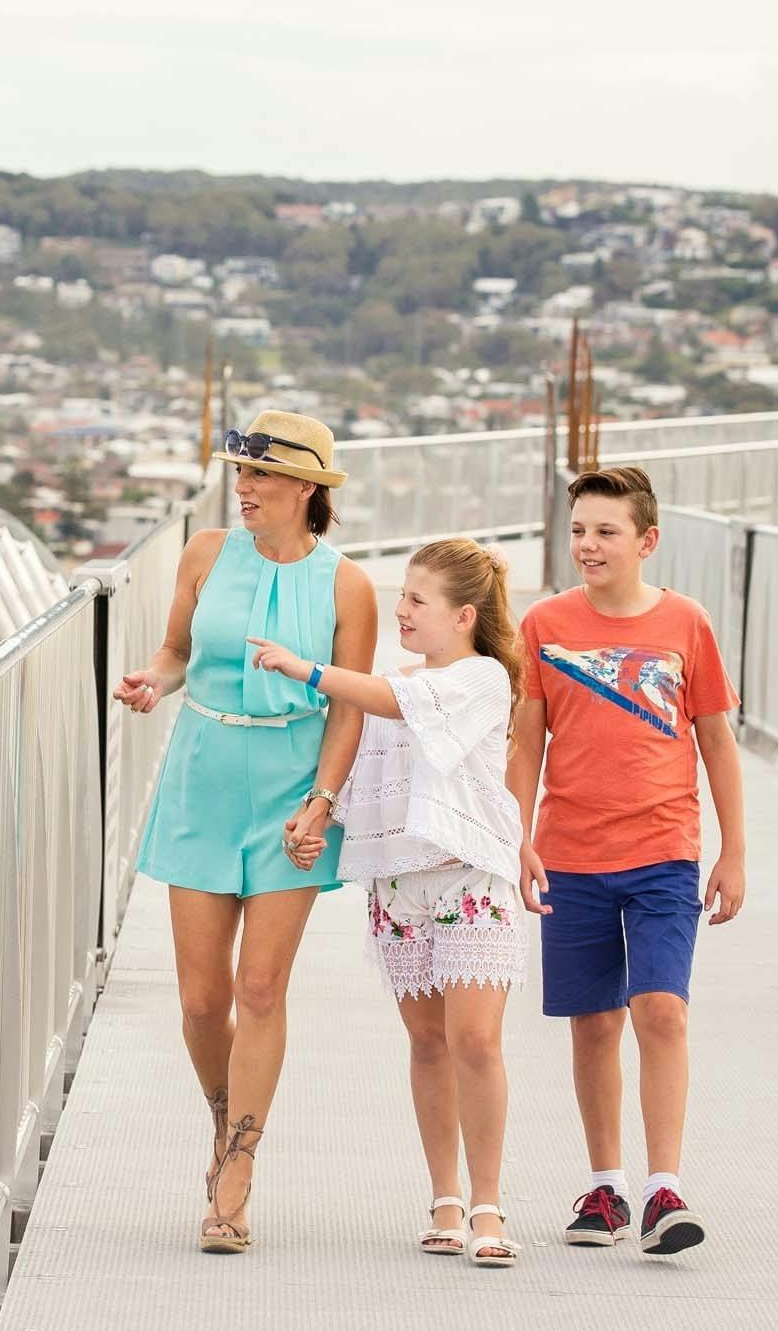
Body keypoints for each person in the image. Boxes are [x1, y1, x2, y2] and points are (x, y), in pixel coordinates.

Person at [115, 410, 376, 1255]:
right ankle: (227, 1112)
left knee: (261, 988)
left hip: (292, 794)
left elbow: (349, 702)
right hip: (203, 776)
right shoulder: (204, 553)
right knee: (200, 1000)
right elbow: (174, 651)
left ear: (307, 488)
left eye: (261, 476)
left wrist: (324, 799)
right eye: (240, 472)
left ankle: (237, 1169)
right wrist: (153, 681)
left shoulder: (348, 585)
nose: (244, 486)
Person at [250, 537, 532, 1267]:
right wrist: (317, 817)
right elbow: (356, 762)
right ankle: (444, 1197)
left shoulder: (482, 679)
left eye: (416, 600)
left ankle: (489, 1202)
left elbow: (390, 701)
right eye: (400, 595)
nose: (400, 610)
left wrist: (304, 666)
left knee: (476, 1040)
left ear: (464, 615)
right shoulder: (393, 684)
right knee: (429, 1041)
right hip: (400, 886)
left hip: (470, 880)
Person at [508, 466, 746, 1257]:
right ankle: (605, 1185)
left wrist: (733, 850)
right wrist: (516, 834)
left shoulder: (685, 623)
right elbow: (527, 738)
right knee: (593, 1024)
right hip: (571, 852)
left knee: (661, 1010)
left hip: (665, 854)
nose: (589, 545)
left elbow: (716, 738)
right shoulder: (543, 623)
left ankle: (663, 1188)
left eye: (606, 531)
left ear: (646, 540)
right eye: (579, 529)